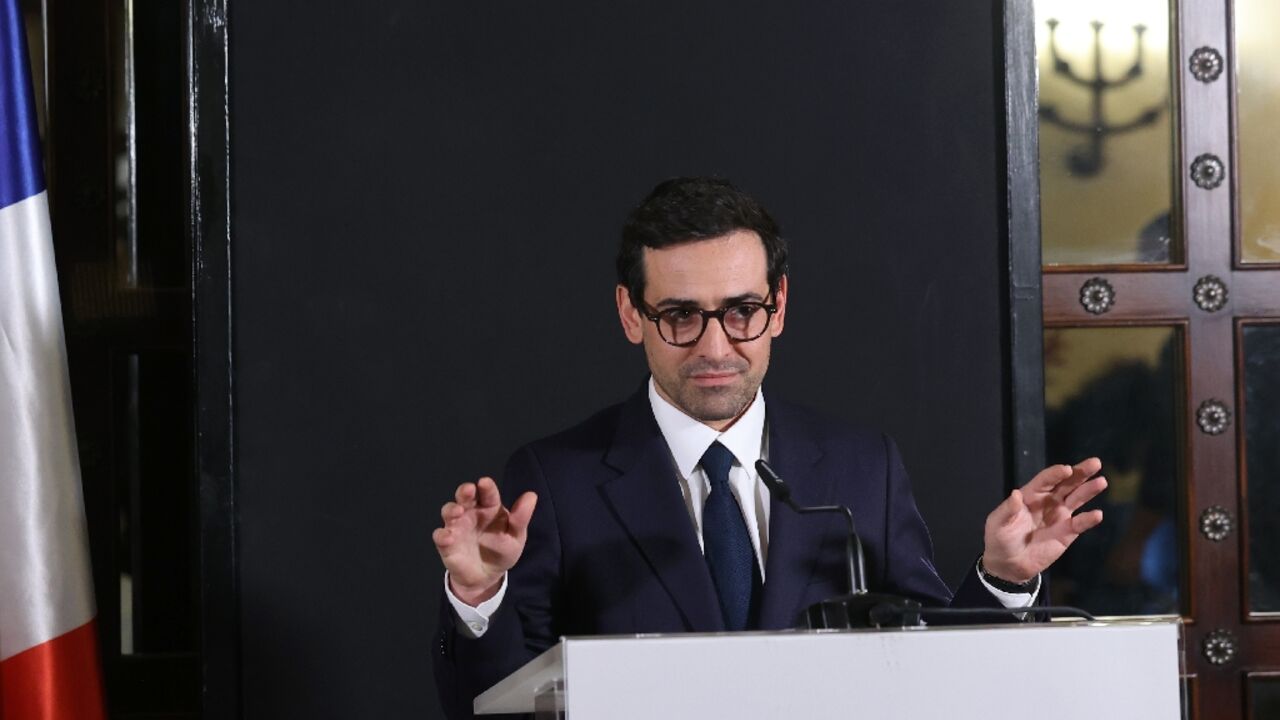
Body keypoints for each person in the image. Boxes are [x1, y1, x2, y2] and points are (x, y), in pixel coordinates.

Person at [431, 177, 1107, 718]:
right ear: (631, 314)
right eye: (680, 316)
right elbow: (488, 704)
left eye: (741, 312)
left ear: (777, 307)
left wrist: (1004, 579)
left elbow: (932, 666)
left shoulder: (860, 467)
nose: (716, 346)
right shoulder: (555, 479)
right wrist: (478, 592)